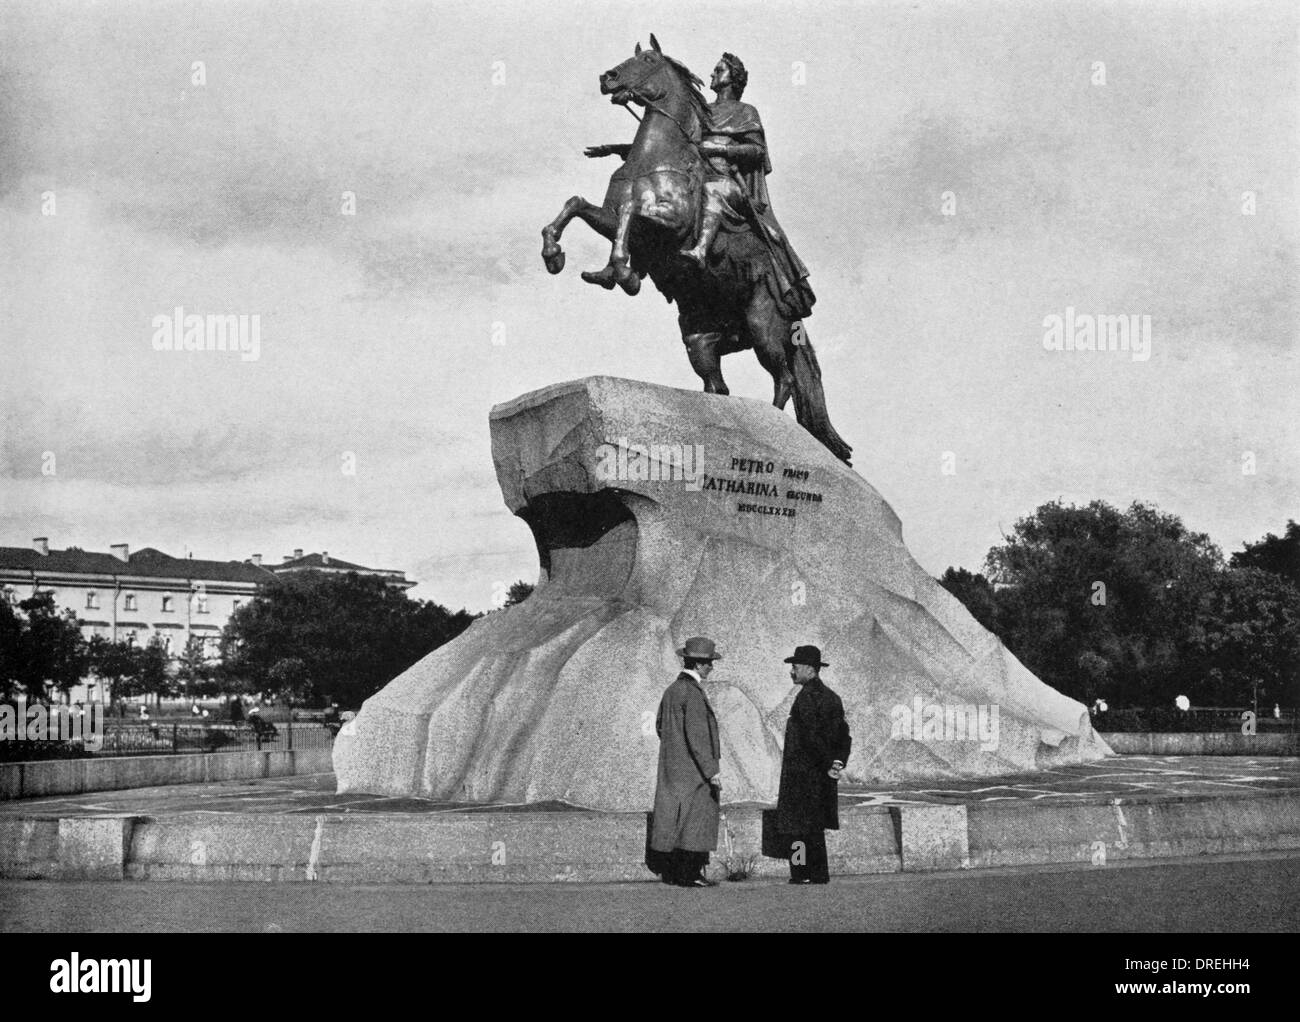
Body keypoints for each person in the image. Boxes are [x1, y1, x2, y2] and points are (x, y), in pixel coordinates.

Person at [678, 52, 815, 320]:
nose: (712, 75)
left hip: (729, 183)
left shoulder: (746, 112)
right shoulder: (700, 110)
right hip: (697, 175)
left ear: (734, 78)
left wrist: (724, 149)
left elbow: (756, 151)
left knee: (713, 191)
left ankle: (701, 250)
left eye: (719, 70)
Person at [649, 636, 723, 888]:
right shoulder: (692, 693)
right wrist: (712, 770)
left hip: (674, 767)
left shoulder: (671, 690)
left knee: (675, 820)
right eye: (710, 663)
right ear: (700, 665)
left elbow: (660, 726)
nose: (712, 668)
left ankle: (676, 873)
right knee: (695, 823)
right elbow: (699, 737)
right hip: (694, 771)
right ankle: (690, 874)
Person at [776, 644, 851, 884]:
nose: (792, 672)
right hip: (822, 775)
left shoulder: (807, 697)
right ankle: (818, 874)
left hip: (802, 775)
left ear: (809, 669)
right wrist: (836, 763)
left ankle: (800, 874)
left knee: (796, 830)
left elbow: (811, 737)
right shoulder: (832, 697)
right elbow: (844, 735)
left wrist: (827, 761)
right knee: (815, 828)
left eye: (795, 667)